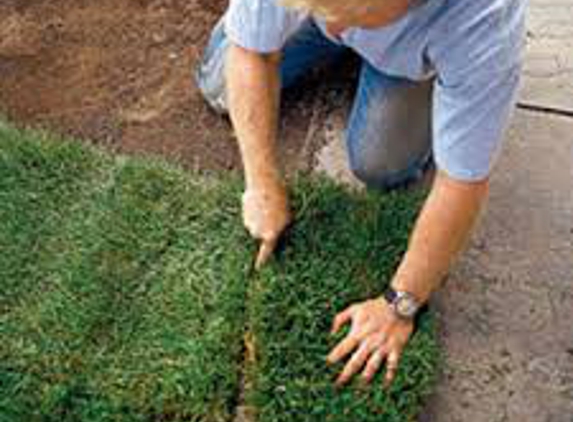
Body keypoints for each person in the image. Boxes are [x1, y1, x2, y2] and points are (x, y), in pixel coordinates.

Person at [194, 0, 526, 388]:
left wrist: (400, 305)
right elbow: (251, 54)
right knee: (221, 86)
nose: (337, 29)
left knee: (381, 163)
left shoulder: (484, 24)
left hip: (413, 49)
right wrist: (261, 182)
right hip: (318, 13)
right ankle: (321, 26)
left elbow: (463, 182)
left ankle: (399, 64)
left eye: (352, 18)